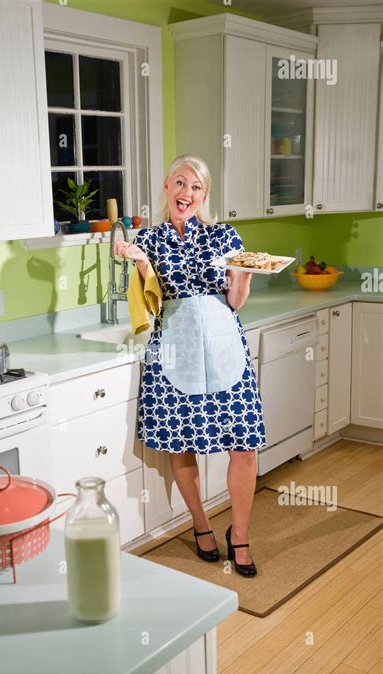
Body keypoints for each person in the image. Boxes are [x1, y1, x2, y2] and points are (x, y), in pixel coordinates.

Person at [114, 155, 267, 576]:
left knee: (244, 445)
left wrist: (245, 275)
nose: (187, 193)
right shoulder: (152, 239)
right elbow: (147, 287)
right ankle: (201, 524)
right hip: (175, 350)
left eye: (196, 187)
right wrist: (134, 256)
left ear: (204, 194)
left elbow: (234, 302)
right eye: (180, 183)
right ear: (167, 187)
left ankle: (240, 534)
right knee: (182, 444)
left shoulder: (224, 236)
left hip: (224, 349)